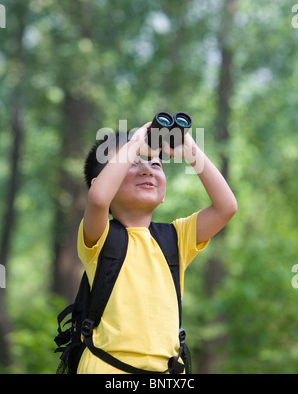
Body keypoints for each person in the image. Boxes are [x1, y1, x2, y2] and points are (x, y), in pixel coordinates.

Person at [76, 121, 237, 374]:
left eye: (156, 163)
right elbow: (98, 199)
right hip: (107, 369)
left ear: (163, 195)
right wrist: (136, 142)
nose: (148, 169)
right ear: (104, 181)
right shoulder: (100, 236)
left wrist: (190, 150)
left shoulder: (175, 238)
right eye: (133, 162)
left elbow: (226, 207)